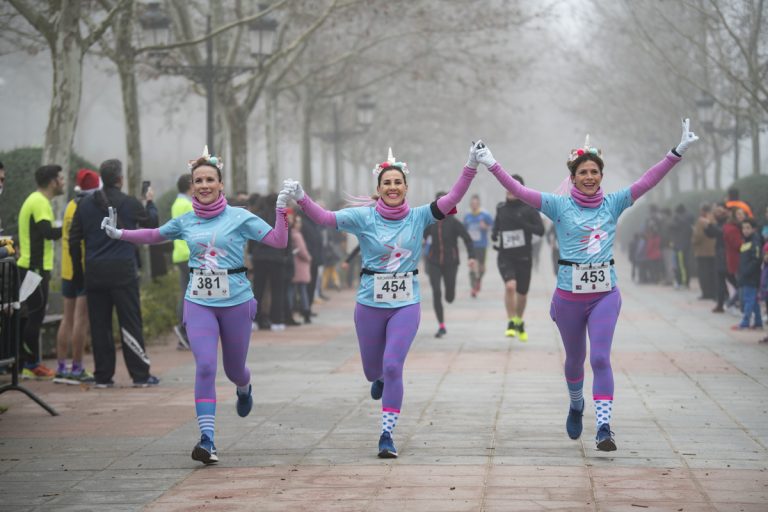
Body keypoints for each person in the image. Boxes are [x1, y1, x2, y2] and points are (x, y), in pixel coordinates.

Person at [477, 119, 699, 451]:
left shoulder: (614, 203)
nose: (590, 177)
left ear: (601, 176)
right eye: (583, 172)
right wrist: (492, 163)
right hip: (569, 297)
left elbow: (647, 181)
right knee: (574, 359)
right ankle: (577, 403)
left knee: (600, 359)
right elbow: (520, 191)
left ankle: (605, 426)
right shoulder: (558, 205)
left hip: (605, 295)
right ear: (573, 177)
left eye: (595, 171)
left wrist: (676, 151)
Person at [99, 147, 291, 464]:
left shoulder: (240, 217)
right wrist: (119, 233)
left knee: (233, 369)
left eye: (209, 180)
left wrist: (282, 211)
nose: (203, 185)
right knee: (204, 366)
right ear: (192, 186)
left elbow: (278, 242)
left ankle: (244, 387)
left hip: (237, 302)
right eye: (198, 180)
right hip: (199, 302)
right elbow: (152, 235)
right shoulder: (185, 220)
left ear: (220, 185)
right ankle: (207, 439)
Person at [285, 146, 478, 458]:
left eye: (397, 182)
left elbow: (453, 197)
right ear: (378, 189)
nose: (392, 187)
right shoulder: (363, 217)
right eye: (386, 183)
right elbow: (324, 218)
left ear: (405, 187)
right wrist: (301, 196)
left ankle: (387, 433)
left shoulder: (419, 217)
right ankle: (376, 378)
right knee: (372, 370)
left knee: (393, 366)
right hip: (369, 305)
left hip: (405, 304)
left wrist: (470, 165)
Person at [69, 159, 159, 389]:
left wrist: (79, 273)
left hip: (95, 272)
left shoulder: (85, 205)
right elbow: (152, 224)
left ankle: (103, 377)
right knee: (130, 322)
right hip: (123, 272)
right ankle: (140, 375)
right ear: (120, 179)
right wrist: (149, 203)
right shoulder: (129, 203)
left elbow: (74, 240)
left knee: (99, 325)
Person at [18, 164, 64, 379]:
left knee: (30, 316)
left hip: (34, 266)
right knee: (34, 316)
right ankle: (31, 364)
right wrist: (71, 226)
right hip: (33, 267)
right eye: (61, 179)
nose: (63, 182)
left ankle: (25, 363)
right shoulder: (39, 202)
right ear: (52, 182)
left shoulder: (37, 200)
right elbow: (48, 233)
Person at [55, 169, 100, 383]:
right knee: (81, 319)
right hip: (82, 269)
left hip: (67, 270)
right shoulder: (88, 207)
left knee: (67, 318)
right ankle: (77, 368)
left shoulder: (70, 205)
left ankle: (61, 367)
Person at [490, 174, 545, 340]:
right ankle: (511, 321)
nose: (510, 190)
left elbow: (540, 230)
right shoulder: (501, 208)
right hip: (505, 256)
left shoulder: (529, 209)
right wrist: (494, 235)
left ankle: (519, 320)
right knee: (510, 287)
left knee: (522, 293)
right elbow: (496, 227)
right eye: (508, 187)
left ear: (521, 190)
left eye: (514, 187)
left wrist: (523, 225)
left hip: (524, 257)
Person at [423, 191, 476, 338]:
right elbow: (420, 236)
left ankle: (450, 294)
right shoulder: (430, 221)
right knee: (436, 292)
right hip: (433, 262)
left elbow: (468, 239)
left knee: (449, 296)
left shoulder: (454, 222)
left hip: (451, 263)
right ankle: (441, 325)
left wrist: (471, 257)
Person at [171, 174, 194, 350]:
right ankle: (183, 329)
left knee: (185, 292)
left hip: (180, 253)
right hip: (188, 253)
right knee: (192, 294)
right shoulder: (187, 204)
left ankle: (183, 334)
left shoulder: (177, 204)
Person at [732, 218, 763, 330]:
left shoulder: (755, 242)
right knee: (753, 300)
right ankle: (758, 322)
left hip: (751, 276)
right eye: (743, 228)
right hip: (745, 275)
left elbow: (757, 259)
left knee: (748, 299)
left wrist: (746, 271)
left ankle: (745, 322)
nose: (745, 230)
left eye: (748, 228)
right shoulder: (746, 241)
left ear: (753, 229)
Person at [463, 194, 493, 298]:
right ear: (470, 204)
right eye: (472, 203)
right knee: (472, 267)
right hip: (471, 246)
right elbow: (463, 230)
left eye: (476, 203)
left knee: (482, 268)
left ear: (479, 204)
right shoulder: (467, 216)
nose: (474, 205)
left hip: (482, 245)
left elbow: (493, 227)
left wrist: (485, 226)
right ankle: (473, 288)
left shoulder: (485, 215)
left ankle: (479, 280)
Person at [289, 213, 312, 324]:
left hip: (294, 265)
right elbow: (302, 250)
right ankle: (306, 312)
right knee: (302, 291)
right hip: (300, 266)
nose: (300, 224)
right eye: (298, 222)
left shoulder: (291, 234)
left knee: (292, 289)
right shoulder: (297, 235)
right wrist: (309, 258)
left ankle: (291, 311)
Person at [691, 203, 716, 300]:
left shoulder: (701, 221)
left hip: (702, 252)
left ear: (702, 210)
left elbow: (698, 236)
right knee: (712, 273)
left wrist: (693, 240)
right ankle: (713, 292)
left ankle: (706, 293)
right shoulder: (713, 219)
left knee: (703, 274)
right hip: (713, 251)